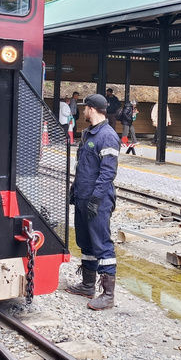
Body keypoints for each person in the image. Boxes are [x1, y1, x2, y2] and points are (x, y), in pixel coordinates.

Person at [65, 93, 121, 310]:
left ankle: (108, 295)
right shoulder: (89, 133)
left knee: (102, 245)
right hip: (83, 196)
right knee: (85, 242)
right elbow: (84, 168)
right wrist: (75, 191)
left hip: (97, 200)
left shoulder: (107, 136)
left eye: (85, 108)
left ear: (92, 109)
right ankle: (88, 285)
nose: (83, 111)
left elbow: (108, 173)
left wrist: (96, 199)